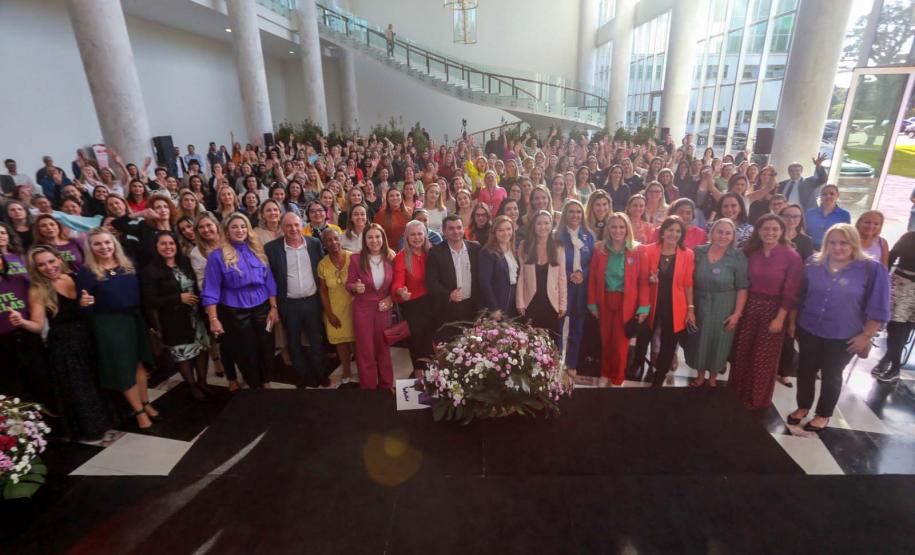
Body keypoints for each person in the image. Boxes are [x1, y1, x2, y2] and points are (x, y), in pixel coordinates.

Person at [787, 224, 889, 432]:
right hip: (810, 328)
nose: (837, 247)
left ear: (854, 243)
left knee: (832, 374)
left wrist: (866, 336)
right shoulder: (813, 264)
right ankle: (803, 406)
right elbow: (800, 296)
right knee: (805, 370)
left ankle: (823, 414)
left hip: (844, 334)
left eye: (843, 242)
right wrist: (792, 323)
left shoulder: (871, 269)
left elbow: (879, 306)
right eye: (832, 242)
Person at [10, 247, 110, 440]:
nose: (48, 267)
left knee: (96, 380)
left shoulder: (73, 276)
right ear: (36, 268)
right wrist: (22, 322)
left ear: (59, 259)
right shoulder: (38, 289)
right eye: (42, 264)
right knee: (79, 388)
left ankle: (106, 420)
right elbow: (38, 326)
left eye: (51, 261)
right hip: (65, 346)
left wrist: (86, 305)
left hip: (87, 338)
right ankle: (90, 428)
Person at [76, 228, 160, 432]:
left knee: (139, 363)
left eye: (107, 242)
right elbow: (85, 306)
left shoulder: (129, 264)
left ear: (114, 243)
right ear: (90, 247)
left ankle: (145, 402)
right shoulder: (87, 272)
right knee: (123, 368)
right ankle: (138, 413)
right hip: (109, 323)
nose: (104, 247)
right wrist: (84, 304)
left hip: (134, 318)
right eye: (98, 244)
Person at [728, 214, 803, 410]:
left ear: (781, 231)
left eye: (774, 229)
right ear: (758, 231)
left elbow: (791, 291)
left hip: (774, 309)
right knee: (742, 351)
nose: (770, 232)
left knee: (764, 357)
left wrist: (780, 318)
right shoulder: (751, 252)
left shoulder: (791, 256)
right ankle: (735, 393)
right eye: (765, 229)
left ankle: (756, 399)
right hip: (750, 306)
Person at [202, 213, 279, 389]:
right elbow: (211, 289)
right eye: (235, 227)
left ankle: (266, 381)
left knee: (266, 346)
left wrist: (273, 307)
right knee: (245, 351)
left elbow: (270, 281)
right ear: (227, 232)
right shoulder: (217, 256)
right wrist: (213, 319)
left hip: (262, 306)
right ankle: (254, 384)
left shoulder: (258, 250)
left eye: (243, 226)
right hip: (233, 311)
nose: (240, 230)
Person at [140, 234, 212, 400]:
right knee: (183, 354)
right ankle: (192, 385)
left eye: (171, 243)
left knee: (201, 349)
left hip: (196, 316)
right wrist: (178, 298)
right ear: (156, 247)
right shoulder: (150, 271)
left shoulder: (185, 262)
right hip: (173, 320)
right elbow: (150, 301)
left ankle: (203, 382)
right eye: (163, 244)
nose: (168, 247)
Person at [264, 212, 328, 388]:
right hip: (288, 304)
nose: (293, 229)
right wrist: (274, 306)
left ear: (302, 225)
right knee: (293, 341)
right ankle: (301, 375)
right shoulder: (271, 248)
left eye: (296, 225)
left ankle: (320, 373)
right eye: (289, 225)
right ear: (283, 228)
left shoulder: (314, 244)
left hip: (312, 301)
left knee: (316, 339)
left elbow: (323, 271)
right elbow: (269, 279)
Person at [684, 219, 748, 387]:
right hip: (699, 303)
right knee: (698, 340)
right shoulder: (698, 251)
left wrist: (737, 314)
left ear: (733, 236)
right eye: (720, 231)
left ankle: (712, 378)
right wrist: (689, 307)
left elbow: (742, 287)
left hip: (724, 305)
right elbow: (687, 279)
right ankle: (699, 376)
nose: (723, 236)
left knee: (719, 341)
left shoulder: (738, 256)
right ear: (712, 233)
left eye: (728, 233)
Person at [587, 213, 649, 386]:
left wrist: (643, 307)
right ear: (608, 229)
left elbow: (644, 281)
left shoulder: (638, 250)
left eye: (622, 227)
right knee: (605, 339)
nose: (618, 230)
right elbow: (592, 277)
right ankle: (605, 374)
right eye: (614, 227)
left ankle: (617, 378)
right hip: (605, 300)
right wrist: (591, 302)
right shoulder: (599, 249)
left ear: (627, 229)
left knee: (621, 343)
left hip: (626, 303)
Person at [638, 216, 696, 387]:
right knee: (643, 339)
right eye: (671, 230)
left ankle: (659, 376)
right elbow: (640, 277)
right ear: (663, 231)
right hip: (650, 304)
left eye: (678, 231)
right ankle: (638, 366)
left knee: (668, 344)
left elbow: (687, 284)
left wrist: (690, 308)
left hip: (675, 306)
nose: (674, 234)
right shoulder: (647, 250)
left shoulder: (687, 254)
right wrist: (649, 278)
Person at [346, 223, 396, 389]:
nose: (374, 240)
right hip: (362, 310)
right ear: (364, 240)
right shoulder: (355, 258)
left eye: (377, 236)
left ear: (383, 239)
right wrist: (355, 287)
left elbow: (395, 285)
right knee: (365, 350)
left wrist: (390, 298)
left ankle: (386, 385)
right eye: (370, 237)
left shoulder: (391, 257)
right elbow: (348, 284)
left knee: (383, 348)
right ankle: (368, 389)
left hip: (384, 310)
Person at [189, 212, 234, 390]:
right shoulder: (196, 253)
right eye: (201, 227)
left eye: (209, 225)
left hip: (239, 298)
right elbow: (202, 283)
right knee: (226, 343)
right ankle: (231, 378)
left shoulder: (230, 242)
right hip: (218, 303)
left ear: (216, 225)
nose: (206, 230)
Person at [425, 214, 481, 342]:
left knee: (472, 346)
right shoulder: (435, 253)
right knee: (450, 347)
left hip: (472, 307)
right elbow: (431, 282)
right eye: (451, 228)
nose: (456, 231)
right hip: (448, 309)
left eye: (459, 227)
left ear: (463, 229)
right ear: (444, 231)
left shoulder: (475, 248)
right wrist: (449, 294)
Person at [393, 220, 435, 378]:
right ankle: (419, 378)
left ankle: (434, 376)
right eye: (413, 234)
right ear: (406, 237)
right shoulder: (401, 257)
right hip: (414, 306)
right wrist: (400, 291)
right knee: (417, 343)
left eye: (420, 234)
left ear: (425, 235)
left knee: (431, 341)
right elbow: (397, 282)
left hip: (432, 304)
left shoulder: (431, 253)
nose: (417, 237)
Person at [517, 210, 567, 343]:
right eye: (539, 223)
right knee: (531, 343)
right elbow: (521, 276)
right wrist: (520, 302)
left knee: (551, 343)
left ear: (551, 225)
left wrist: (563, 304)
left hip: (551, 303)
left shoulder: (558, 247)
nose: (543, 227)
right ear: (533, 226)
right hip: (531, 302)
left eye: (546, 223)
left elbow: (562, 278)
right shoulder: (524, 246)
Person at [871, 231, 915, 383]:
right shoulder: (909, 237)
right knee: (895, 327)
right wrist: (883, 281)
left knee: (906, 328)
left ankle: (887, 360)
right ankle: (894, 366)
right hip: (901, 285)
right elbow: (891, 258)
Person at [556, 200, 593, 375]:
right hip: (563, 286)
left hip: (581, 287)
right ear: (565, 214)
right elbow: (554, 261)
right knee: (559, 324)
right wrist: (569, 272)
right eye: (571, 211)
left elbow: (593, 262)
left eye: (579, 212)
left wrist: (582, 274)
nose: (575, 215)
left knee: (577, 326)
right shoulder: (557, 236)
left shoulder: (588, 236)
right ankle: (555, 360)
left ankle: (571, 363)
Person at [317, 228, 357, 387]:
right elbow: (323, 291)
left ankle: (363, 368)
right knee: (341, 343)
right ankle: (346, 371)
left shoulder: (353, 257)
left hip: (355, 307)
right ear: (324, 244)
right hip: (335, 309)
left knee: (358, 342)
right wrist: (329, 313)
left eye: (335, 238)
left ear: (340, 239)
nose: (333, 243)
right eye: (328, 240)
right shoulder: (322, 264)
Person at [478, 215, 519, 319]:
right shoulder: (487, 252)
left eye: (508, 229)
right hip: (497, 304)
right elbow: (485, 283)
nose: (506, 233)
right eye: (501, 230)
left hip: (513, 303)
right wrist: (494, 308)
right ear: (494, 232)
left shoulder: (514, 250)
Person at [805, 185, 850, 249]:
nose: (828, 196)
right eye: (824, 194)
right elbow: (804, 231)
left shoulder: (844, 215)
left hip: (832, 249)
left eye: (832, 194)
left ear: (837, 195)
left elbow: (845, 236)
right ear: (821, 196)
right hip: (809, 248)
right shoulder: (810, 213)